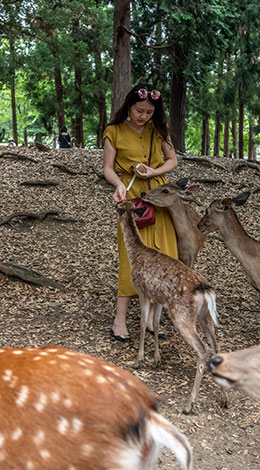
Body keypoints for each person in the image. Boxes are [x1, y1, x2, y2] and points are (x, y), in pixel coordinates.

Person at [102, 83, 178, 342]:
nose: (143, 116)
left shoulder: (159, 130)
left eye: (148, 112)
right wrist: (119, 184)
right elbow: (108, 168)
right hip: (131, 198)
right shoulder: (113, 132)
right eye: (138, 110)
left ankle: (150, 320)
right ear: (129, 107)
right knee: (131, 258)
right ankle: (119, 320)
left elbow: (172, 161)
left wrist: (153, 172)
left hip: (158, 198)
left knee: (162, 256)